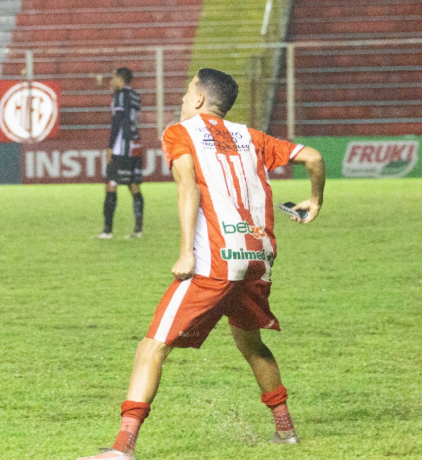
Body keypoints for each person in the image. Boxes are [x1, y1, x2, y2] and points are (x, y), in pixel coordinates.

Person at [78, 68, 326, 460]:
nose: (181, 96)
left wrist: (186, 252)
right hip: (258, 257)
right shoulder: (252, 136)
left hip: (215, 259)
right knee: (250, 341)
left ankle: (122, 448)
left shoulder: (181, 131)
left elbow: (188, 186)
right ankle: (286, 431)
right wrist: (315, 201)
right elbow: (312, 156)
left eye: (186, 88)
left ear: (197, 99)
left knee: (152, 347)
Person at [98, 67, 144, 239]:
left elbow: (117, 121)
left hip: (121, 147)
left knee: (111, 184)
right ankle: (138, 230)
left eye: (113, 78)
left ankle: (107, 231)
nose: (111, 81)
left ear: (120, 78)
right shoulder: (135, 95)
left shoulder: (120, 95)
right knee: (134, 186)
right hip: (135, 144)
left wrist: (110, 147)